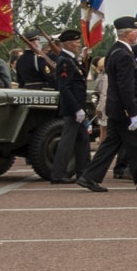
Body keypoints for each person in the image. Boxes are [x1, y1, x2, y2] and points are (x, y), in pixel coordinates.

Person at [79, 16, 137, 192]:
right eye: (135, 31)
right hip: (126, 109)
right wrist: (132, 112)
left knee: (110, 145)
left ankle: (89, 177)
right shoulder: (122, 54)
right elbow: (125, 86)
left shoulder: (116, 51)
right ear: (128, 34)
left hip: (117, 108)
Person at [49, 30, 91, 185]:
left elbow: (81, 77)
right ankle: (58, 174)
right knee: (67, 141)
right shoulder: (64, 61)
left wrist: (86, 58)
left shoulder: (71, 59)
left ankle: (83, 173)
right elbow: (64, 88)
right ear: (68, 43)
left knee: (83, 141)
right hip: (73, 108)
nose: (79, 44)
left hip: (78, 106)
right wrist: (76, 109)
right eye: (76, 41)